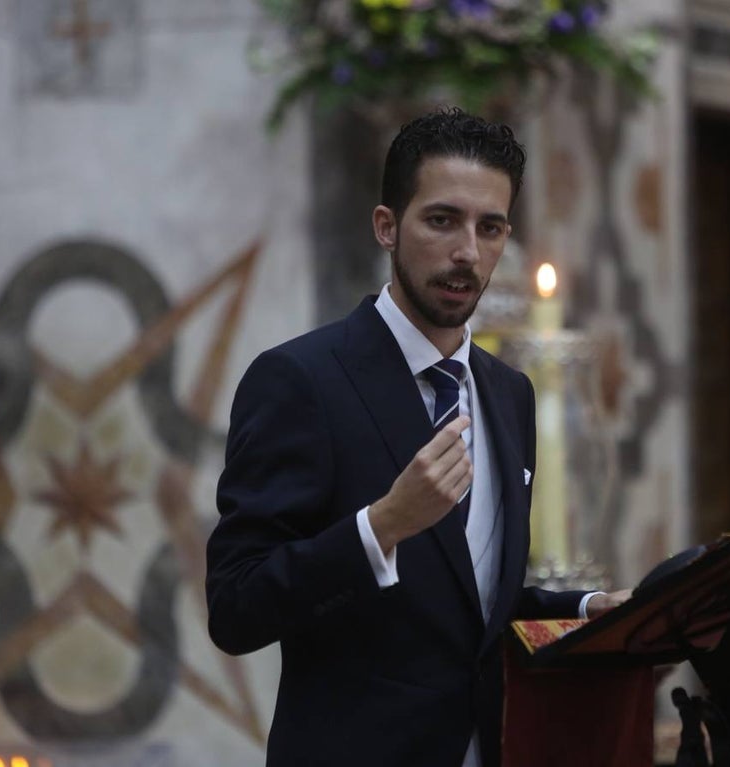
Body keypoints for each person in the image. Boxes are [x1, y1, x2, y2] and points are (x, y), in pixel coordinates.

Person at [205, 107, 630, 767]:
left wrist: (583, 605)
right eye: (442, 220)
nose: (467, 251)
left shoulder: (510, 393)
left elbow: (469, 595)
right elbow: (235, 607)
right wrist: (382, 525)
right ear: (386, 227)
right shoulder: (301, 380)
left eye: (490, 227)